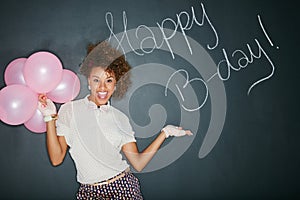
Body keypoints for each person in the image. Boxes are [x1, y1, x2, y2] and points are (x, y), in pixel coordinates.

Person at [38, 41, 192, 199]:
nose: (103, 87)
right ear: (89, 81)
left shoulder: (120, 118)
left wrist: (165, 133)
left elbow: (138, 163)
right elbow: (56, 159)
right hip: (88, 193)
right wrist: (49, 116)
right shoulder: (69, 110)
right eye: (97, 80)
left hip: (123, 188)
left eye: (109, 80)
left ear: (116, 84)